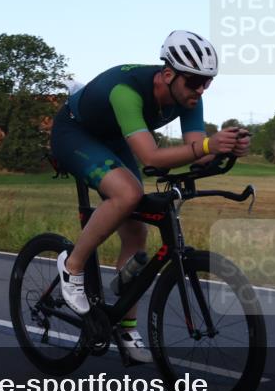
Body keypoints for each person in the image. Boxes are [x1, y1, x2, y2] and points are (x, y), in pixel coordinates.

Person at [49, 30, 251, 363]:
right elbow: (151, 158)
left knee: (136, 230)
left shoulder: (190, 98)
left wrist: (226, 149)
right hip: (75, 133)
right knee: (127, 194)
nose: (200, 90)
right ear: (168, 74)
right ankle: (72, 266)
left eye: (207, 83)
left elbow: (197, 152)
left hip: (114, 141)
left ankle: (125, 327)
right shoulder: (126, 92)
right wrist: (206, 146)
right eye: (194, 82)